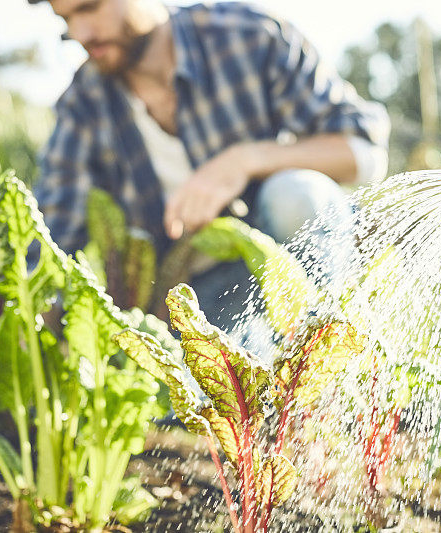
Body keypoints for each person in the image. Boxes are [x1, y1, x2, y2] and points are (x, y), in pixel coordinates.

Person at [31, 0, 390, 329]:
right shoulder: (84, 105)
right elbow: (50, 235)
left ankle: (337, 348)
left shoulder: (247, 35)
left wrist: (246, 160)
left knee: (296, 194)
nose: (81, 34)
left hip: (289, 250)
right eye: (66, 19)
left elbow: (363, 152)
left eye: (90, 8)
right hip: (197, 298)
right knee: (228, 392)